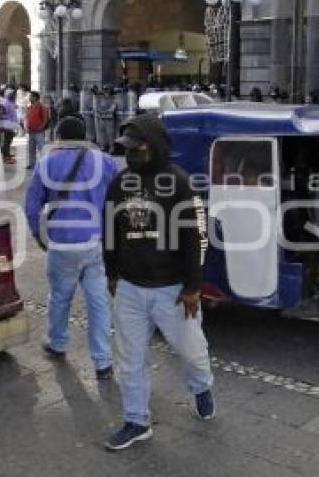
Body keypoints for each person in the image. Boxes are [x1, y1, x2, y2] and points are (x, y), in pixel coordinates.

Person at [103, 114, 214, 451]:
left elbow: (196, 237)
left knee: (191, 352)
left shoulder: (180, 183)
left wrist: (193, 287)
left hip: (174, 290)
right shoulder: (120, 183)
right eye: (125, 150)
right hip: (132, 289)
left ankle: (201, 386)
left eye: (135, 149)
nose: (129, 155)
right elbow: (110, 229)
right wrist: (112, 272)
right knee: (129, 358)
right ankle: (137, 420)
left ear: (151, 147)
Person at [24, 116, 118, 379]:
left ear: (58, 137)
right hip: (95, 244)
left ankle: (57, 344)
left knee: (60, 297)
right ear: (85, 135)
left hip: (61, 244)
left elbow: (32, 206)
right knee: (98, 302)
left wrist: (38, 235)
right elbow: (119, 199)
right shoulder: (106, 161)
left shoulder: (45, 164)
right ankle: (103, 363)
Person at [25, 91, 50, 170]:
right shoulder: (30, 107)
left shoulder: (42, 107)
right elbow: (28, 118)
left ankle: (43, 164)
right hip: (31, 131)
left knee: (41, 148)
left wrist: (41, 127)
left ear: (35, 97)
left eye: (31, 96)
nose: (29, 98)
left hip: (39, 131)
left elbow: (45, 119)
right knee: (31, 149)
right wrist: (27, 127)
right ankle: (32, 164)